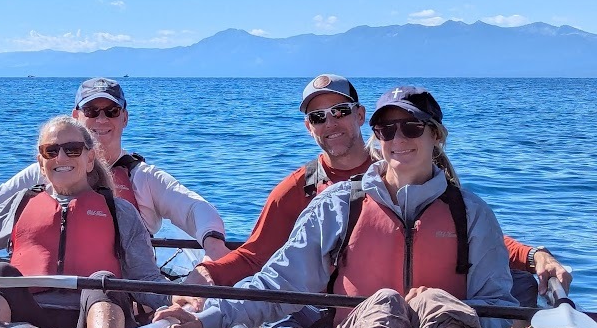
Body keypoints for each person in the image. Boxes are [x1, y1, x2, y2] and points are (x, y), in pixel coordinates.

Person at [157, 86, 521, 328]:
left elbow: (496, 302)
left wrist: (446, 313)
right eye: (387, 130)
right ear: (377, 137)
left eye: (411, 128)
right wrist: (205, 315)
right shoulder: (337, 205)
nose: (398, 138)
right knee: (381, 308)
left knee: (439, 305)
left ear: (436, 136)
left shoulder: (471, 213)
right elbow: (277, 282)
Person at [194, 74, 570, 303]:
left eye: (340, 111)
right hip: (343, 313)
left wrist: (534, 255)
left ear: (360, 116)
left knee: (521, 284)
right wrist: (205, 278)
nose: (331, 124)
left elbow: (466, 233)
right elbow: (256, 256)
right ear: (309, 127)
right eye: (318, 117)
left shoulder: (406, 164)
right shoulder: (297, 189)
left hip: (431, 307)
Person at [0, 115, 173, 328]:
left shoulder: (120, 212)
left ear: (90, 159)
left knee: (103, 282)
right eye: (50, 151)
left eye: (72, 149)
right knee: (0, 273)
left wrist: (178, 301)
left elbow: (145, 278)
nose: (60, 157)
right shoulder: (20, 205)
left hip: (91, 324)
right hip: (27, 320)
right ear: (41, 164)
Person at [0, 77, 230, 259]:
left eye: (111, 111)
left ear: (124, 118)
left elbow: (194, 208)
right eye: (91, 111)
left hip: (114, 293)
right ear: (76, 117)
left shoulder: (144, 178)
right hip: (43, 286)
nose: (101, 120)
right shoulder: (44, 172)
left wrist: (214, 246)